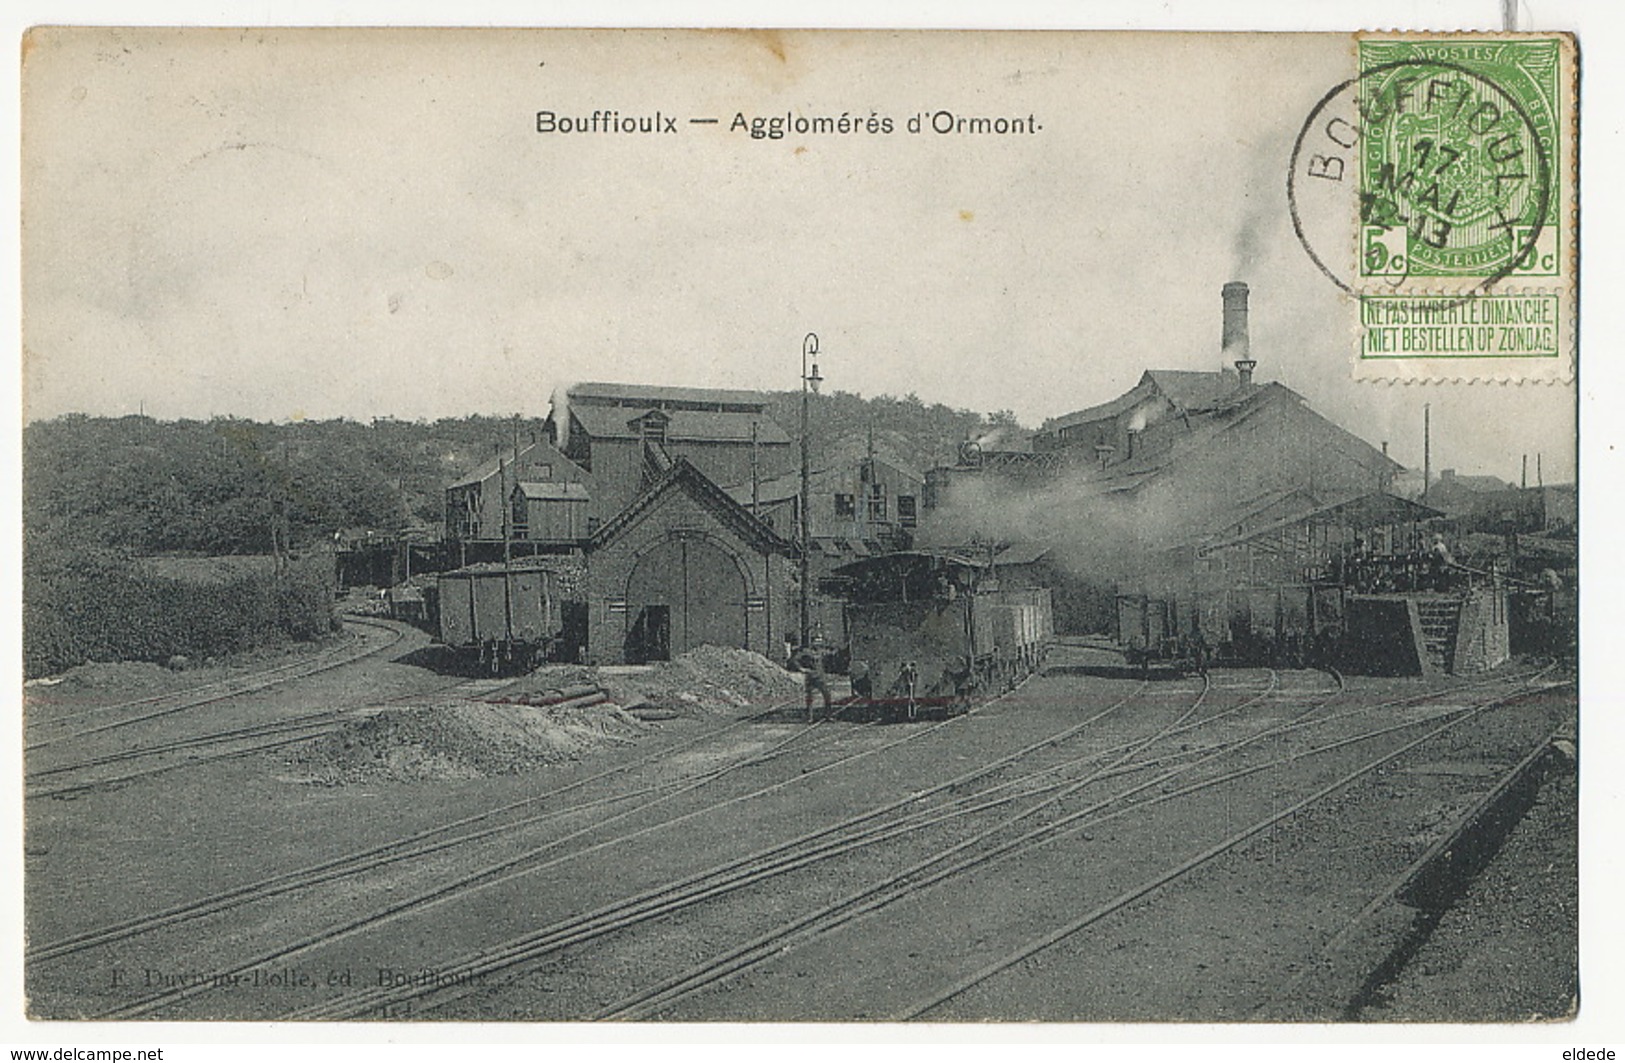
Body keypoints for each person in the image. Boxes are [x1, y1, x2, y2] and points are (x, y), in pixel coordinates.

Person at [794, 642, 833, 720]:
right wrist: (801, 669)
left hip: (820, 676)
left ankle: (828, 715)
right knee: (810, 697)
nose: (818, 645)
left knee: (827, 695)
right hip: (810, 677)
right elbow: (796, 659)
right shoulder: (806, 652)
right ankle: (810, 717)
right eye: (816, 643)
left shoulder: (822, 652)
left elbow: (829, 655)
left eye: (819, 644)